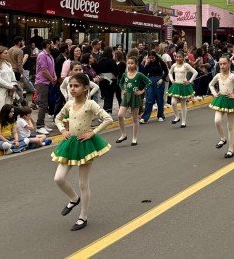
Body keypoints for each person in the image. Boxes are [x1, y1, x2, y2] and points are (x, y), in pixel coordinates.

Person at [52, 72, 113, 231]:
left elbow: (108, 118)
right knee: (58, 178)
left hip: (85, 144)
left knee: (82, 183)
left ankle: (83, 217)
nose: (72, 89)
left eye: (76, 86)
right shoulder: (69, 104)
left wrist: (93, 132)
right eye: (70, 86)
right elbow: (58, 118)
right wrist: (62, 131)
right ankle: (73, 198)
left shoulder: (90, 104)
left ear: (86, 88)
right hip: (70, 143)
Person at [209, 56, 234, 159]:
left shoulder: (232, 76)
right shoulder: (217, 75)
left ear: (229, 64)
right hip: (220, 100)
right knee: (217, 121)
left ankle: (230, 150)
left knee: (230, 126)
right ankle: (223, 138)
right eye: (220, 64)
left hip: (230, 101)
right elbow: (211, 84)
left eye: (224, 64)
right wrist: (214, 93)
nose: (222, 66)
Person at [116, 57, 150, 146]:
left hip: (135, 97)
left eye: (132, 63)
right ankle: (123, 134)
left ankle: (134, 138)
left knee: (135, 118)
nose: (130, 65)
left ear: (136, 64)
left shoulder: (139, 74)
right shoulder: (124, 74)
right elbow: (120, 83)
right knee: (120, 115)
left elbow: (149, 82)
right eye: (129, 63)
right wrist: (123, 89)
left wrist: (142, 91)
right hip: (126, 97)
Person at [0, 46, 19, 135]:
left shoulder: (8, 64)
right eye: (5, 53)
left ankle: (6, 132)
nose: (7, 54)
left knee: (8, 112)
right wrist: (10, 86)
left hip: (9, 91)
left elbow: (13, 77)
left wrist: (13, 85)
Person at [167, 51, 198, 127]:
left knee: (183, 104)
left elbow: (195, 72)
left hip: (183, 86)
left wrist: (190, 81)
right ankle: (177, 116)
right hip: (176, 85)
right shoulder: (174, 65)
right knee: (173, 102)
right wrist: (172, 80)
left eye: (180, 57)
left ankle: (183, 121)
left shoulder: (186, 65)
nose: (178, 58)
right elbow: (170, 73)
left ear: (183, 57)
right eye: (177, 57)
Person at [35, 39, 57, 135]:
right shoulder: (42, 55)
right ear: (48, 45)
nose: (54, 45)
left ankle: (42, 124)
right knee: (43, 104)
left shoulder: (50, 55)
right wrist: (52, 79)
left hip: (48, 82)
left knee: (45, 104)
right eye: (52, 44)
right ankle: (39, 126)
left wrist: (54, 76)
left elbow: (52, 68)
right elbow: (44, 70)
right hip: (42, 82)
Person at [139, 51, 168, 124]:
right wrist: (146, 64)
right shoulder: (148, 63)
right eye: (150, 58)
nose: (151, 59)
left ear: (155, 56)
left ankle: (160, 115)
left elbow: (166, 71)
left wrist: (162, 78)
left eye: (153, 58)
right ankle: (145, 118)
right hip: (149, 80)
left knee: (159, 98)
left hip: (159, 80)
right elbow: (144, 73)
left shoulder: (160, 62)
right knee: (149, 99)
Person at [94, 47, 120, 116]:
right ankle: (107, 113)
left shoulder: (100, 61)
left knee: (105, 97)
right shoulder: (112, 61)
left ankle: (104, 112)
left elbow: (97, 71)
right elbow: (116, 72)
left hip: (102, 81)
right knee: (109, 97)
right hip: (111, 82)